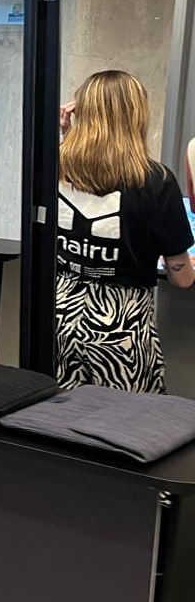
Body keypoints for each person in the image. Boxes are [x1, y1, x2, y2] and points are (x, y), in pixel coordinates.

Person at [57, 70, 193, 392]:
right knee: (123, 429)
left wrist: (66, 135)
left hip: (58, 321)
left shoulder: (54, 166)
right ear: (136, 116)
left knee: (55, 425)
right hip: (121, 333)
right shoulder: (155, 181)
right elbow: (182, 277)